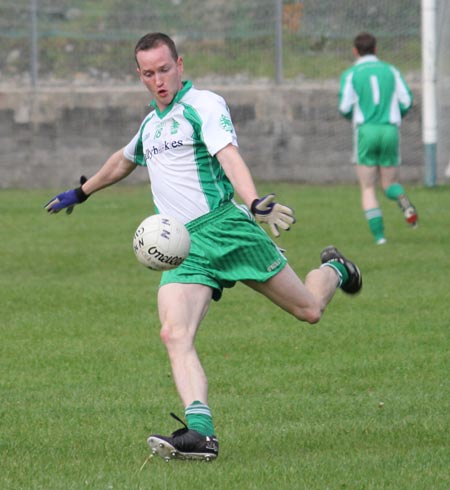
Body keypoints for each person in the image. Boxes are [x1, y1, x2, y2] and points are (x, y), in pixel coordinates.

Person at [45, 32, 362, 462]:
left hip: (226, 228)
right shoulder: (150, 125)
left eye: (165, 69)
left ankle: (335, 269)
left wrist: (252, 201)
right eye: (149, 73)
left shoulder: (203, 105)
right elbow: (124, 159)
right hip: (182, 245)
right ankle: (201, 434)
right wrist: (83, 191)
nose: (159, 80)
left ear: (180, 65)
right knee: (174, 334)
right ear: (139, 75)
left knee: (308, 310)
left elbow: (228, 155)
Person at [339, 32, 418, 245]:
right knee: (390, 183)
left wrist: (355, 117)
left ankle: (380, 238)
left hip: (366, 131)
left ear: (355, 51)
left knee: (367, 187)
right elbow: (407, 100)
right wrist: (396, 115)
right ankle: (403, 201)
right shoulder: (391, 70)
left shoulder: (351, 73)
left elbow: (344, 107)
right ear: (376, 49)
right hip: (389, 130)